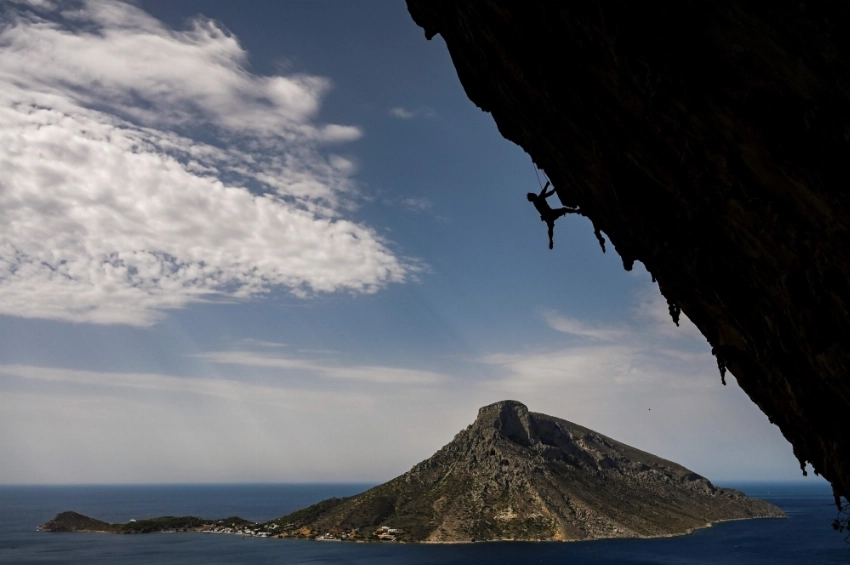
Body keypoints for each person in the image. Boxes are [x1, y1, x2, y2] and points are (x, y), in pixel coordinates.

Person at [526, 181, 577, 249]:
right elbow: (544, 192)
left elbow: (548, 193)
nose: (535, 193)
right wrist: (547, 185)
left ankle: (551, 240)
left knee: (550, 227)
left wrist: (554, 189)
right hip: (550, 213)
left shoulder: (537, 201)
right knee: (564, 210)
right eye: (533, 194)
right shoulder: (538, 199)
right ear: (533, 196)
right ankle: (577, 211)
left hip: (548, 217)